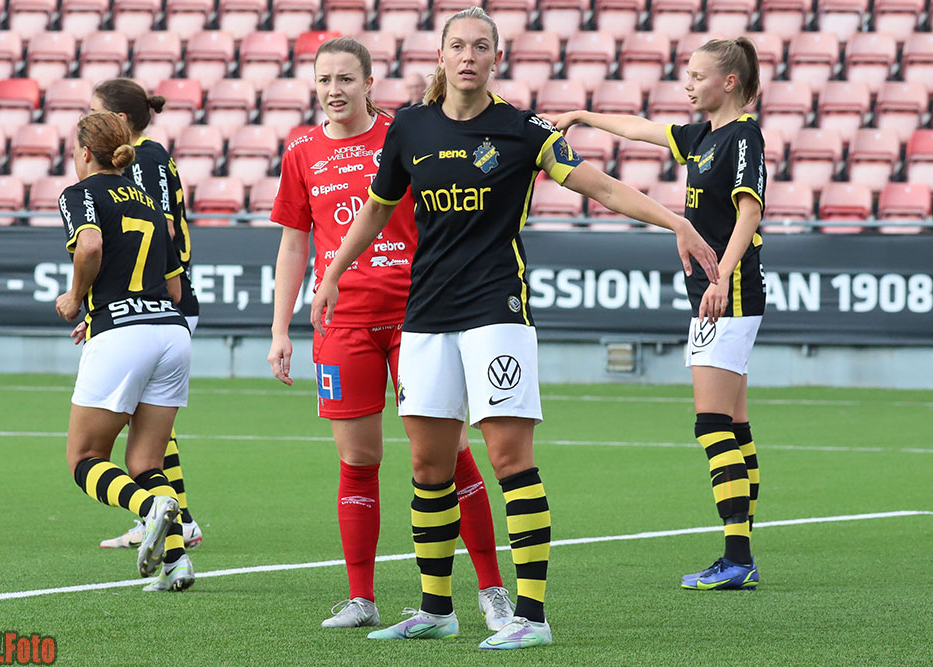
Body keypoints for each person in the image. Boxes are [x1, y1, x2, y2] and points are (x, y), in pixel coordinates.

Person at [310, 7, 719, 650]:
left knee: (509, 461)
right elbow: (377, 209)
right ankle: (436, 609)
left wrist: (679, 223)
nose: (468, 56)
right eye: (457, 46)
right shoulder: (409, 127)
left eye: (481, 47)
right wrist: (333, 272)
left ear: (496, 59)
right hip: (426, 316)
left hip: (497, 313)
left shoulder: (525, 130)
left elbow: (603, 188)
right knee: (428, 465)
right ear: (441, 56)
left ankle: (531, 615)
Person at [268, 36, 516, 631]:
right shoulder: (301, 150)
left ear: (368, 83)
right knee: (358, 460)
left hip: (419, 316)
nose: (334, 90)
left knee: (449, 455)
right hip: (343, 323)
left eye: (346, 79)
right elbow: (295, 243)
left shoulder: (405, 133)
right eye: (325, 79)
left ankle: (491, 590)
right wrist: (279, 328)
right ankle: (362, 599)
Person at [541, 37, 766, 591]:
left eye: (697, 76)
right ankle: (741, 553)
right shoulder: (702, 136)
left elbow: (749, 212)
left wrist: (722, 277)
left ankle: (737, 558)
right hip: (716, 290)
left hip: (729, 290)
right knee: (734, 424)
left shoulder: (743, 135)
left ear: (729, 82)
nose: (687, 84)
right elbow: (640, 128)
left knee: (711, 424)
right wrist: (581, 117)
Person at [57, 111, 195, 592]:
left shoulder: (79, 193)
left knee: (84, 457)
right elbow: (175, 288)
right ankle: (176, 563)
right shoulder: (147, 200)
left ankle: (147, 507)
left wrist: (76, 299)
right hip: (171, 332)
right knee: (147, 463)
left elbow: (91, 246)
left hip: (123, 335)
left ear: (85, 153)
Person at [84, 78, 203, 552]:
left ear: (120, 120)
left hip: (159, 300)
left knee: (145, 430)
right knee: (152, 429)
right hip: (157, 302)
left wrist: (123, 299)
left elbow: (161, 228)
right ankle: (173, 518)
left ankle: (170, 516)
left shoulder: (146, 158)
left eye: (95, 111)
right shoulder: (148, 156)